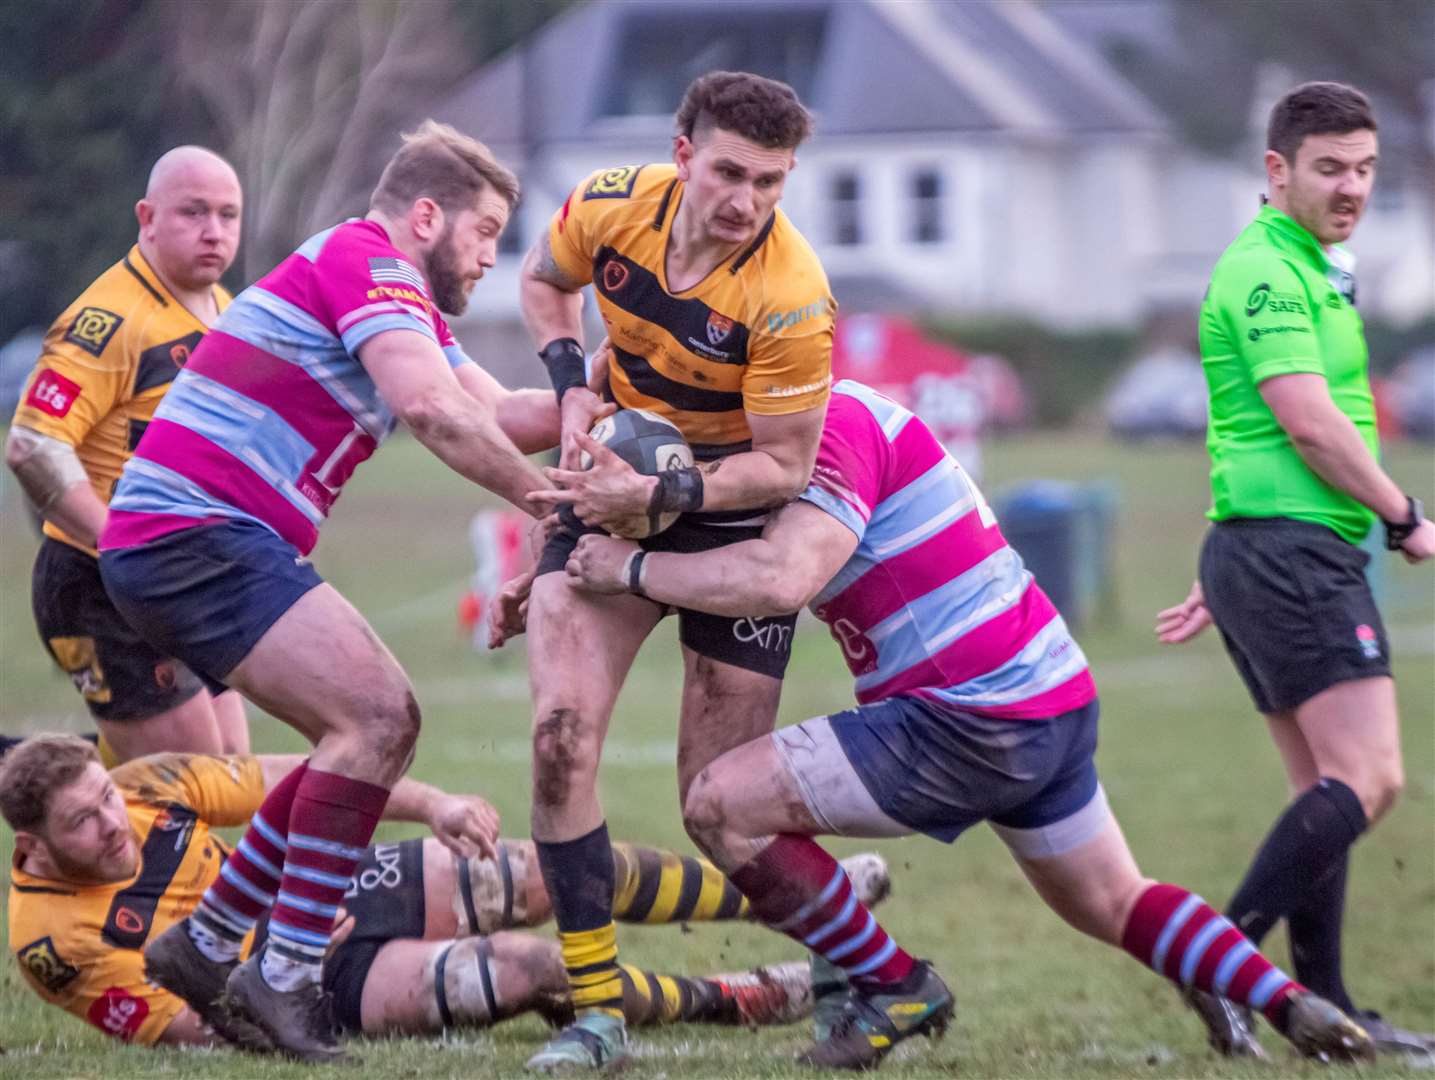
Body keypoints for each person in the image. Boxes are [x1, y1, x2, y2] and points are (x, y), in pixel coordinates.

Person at [562, 379, 1376, 1070]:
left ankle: (894, 984)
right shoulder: (804, 429)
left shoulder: (835, 423)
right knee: (1111, 899)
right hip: (1045, 690)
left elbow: (779, 575)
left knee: (719, 804)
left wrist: (629, 567)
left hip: (964, 711)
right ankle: (1289, 1002)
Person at [93, 120, 560, 1061]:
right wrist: (542, 502)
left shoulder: (399, 304)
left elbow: (501, 413)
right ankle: (284, 971)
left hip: (191, 537)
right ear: (426, 215)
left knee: (357, 737)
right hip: (196, 530)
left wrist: (636, 390)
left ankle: (210, 940)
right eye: (484, 232)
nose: (487, 258)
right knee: (380, 717)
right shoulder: (369, 262)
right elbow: (431, 411)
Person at [514, 70, 836, 1070]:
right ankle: (597, 1014)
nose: (748, 201)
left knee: (721, 806)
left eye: (772, 182)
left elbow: (784, 465)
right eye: (732, 172)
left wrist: (659, 500)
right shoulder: (609, 204)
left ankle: (863, 961)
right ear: (683, 152)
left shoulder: (789, 296)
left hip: (730, 518)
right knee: (560, 741)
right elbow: (540, 278)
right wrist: (570, 389)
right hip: (611, 477)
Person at [1155, 82, 1435, 1064]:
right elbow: (1307, 423)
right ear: (1276, 171)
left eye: (1363, 168)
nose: (1350, 186)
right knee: (1370, 779)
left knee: (1323, 787)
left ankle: (1321, 1005)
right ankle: (1216, 958)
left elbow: (1248, 431)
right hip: (1293, 554)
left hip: (1263, 548)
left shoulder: (1310, 266)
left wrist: (1225, 564)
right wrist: (1403, 515)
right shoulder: (1270, 273)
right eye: (1329, 168)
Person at [2, 736, 866, 1050]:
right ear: (32, 845)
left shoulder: (147, 783)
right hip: (293, 985)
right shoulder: (52, 943)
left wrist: (433, 803)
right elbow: (190, 1026)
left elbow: (302, 777)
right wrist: (283, 958)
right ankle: (737, 999)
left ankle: (776, 899)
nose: (114, 822)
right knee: (525, 969)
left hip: (318, 891)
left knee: (532, 872)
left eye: (107, 797)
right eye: (85, 821)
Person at [5, 147, 250, 765]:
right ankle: (29, 774)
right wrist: (125, 542)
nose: (213, 231)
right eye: (193, 213)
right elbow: (33, 444)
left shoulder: (224, 309)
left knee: (228, 777)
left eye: (227, 215)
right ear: (146, 217)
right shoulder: (107, 320)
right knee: (192, 784)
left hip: (186, 580)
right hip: (96, 585)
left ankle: (33, 769)